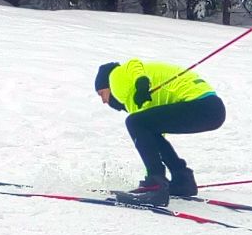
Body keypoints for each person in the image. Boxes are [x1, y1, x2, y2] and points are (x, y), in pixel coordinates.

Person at [94, 59, 226, 202]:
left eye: (101, 93)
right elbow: (151, 137)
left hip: (199, 104)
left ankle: (155, 185)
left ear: (106, 85)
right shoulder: (130, 85)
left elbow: (133, 64)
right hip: (213, 109)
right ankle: (183, 181)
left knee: (134, 122)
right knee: (143, 125)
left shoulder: (114, 76)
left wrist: (141, 82)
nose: (104, 101)